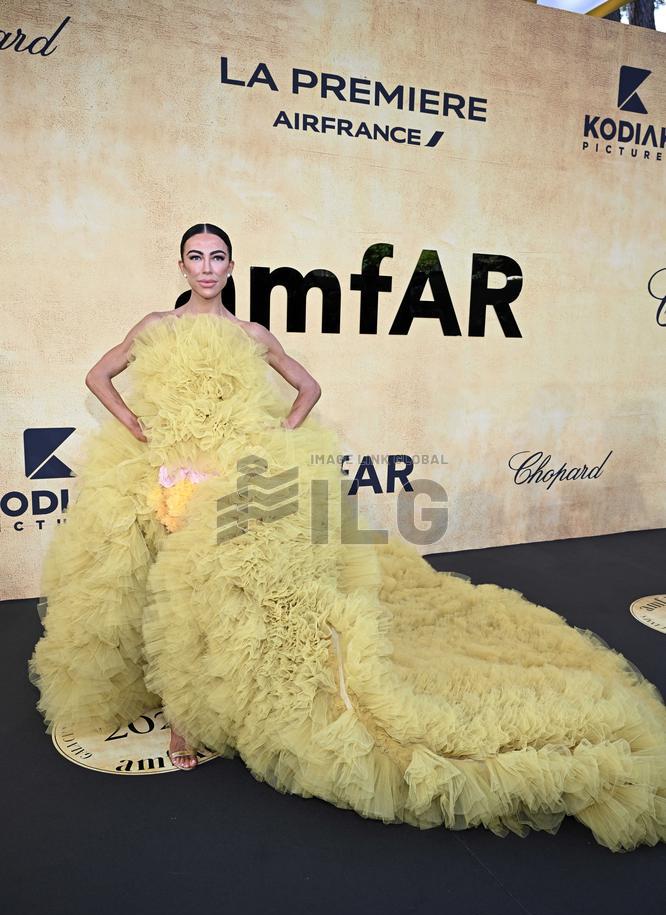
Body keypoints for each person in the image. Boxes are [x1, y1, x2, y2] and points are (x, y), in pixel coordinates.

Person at [29, 223, 666, 851]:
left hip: (231, 480)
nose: (205, 268)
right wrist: (138, 427)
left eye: (216, 257)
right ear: (181, 265)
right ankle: (167, 701)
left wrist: (276, 437)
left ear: (230, 265)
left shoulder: (252, 334)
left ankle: (188, 724)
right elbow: (99, 376)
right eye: (194, 257)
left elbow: (307, 389)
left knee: (210, 600)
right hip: (161, 472)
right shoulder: (153, 327)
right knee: (142, 587)